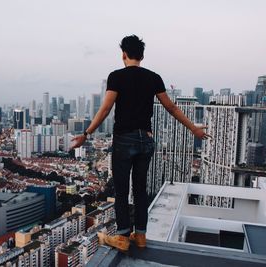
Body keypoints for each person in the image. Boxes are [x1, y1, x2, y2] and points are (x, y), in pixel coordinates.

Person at [71, 35, 210, 251]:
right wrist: (193, 128)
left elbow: (106, 108)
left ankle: (123, 237)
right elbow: (171, 108)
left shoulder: (116, 76)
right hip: (146, 139)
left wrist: (86, 134)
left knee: (121, 190)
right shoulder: (154, 78)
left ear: (123, 55)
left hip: (124, 140)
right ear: (142, 56)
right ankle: (142, 236)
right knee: (140, 190)